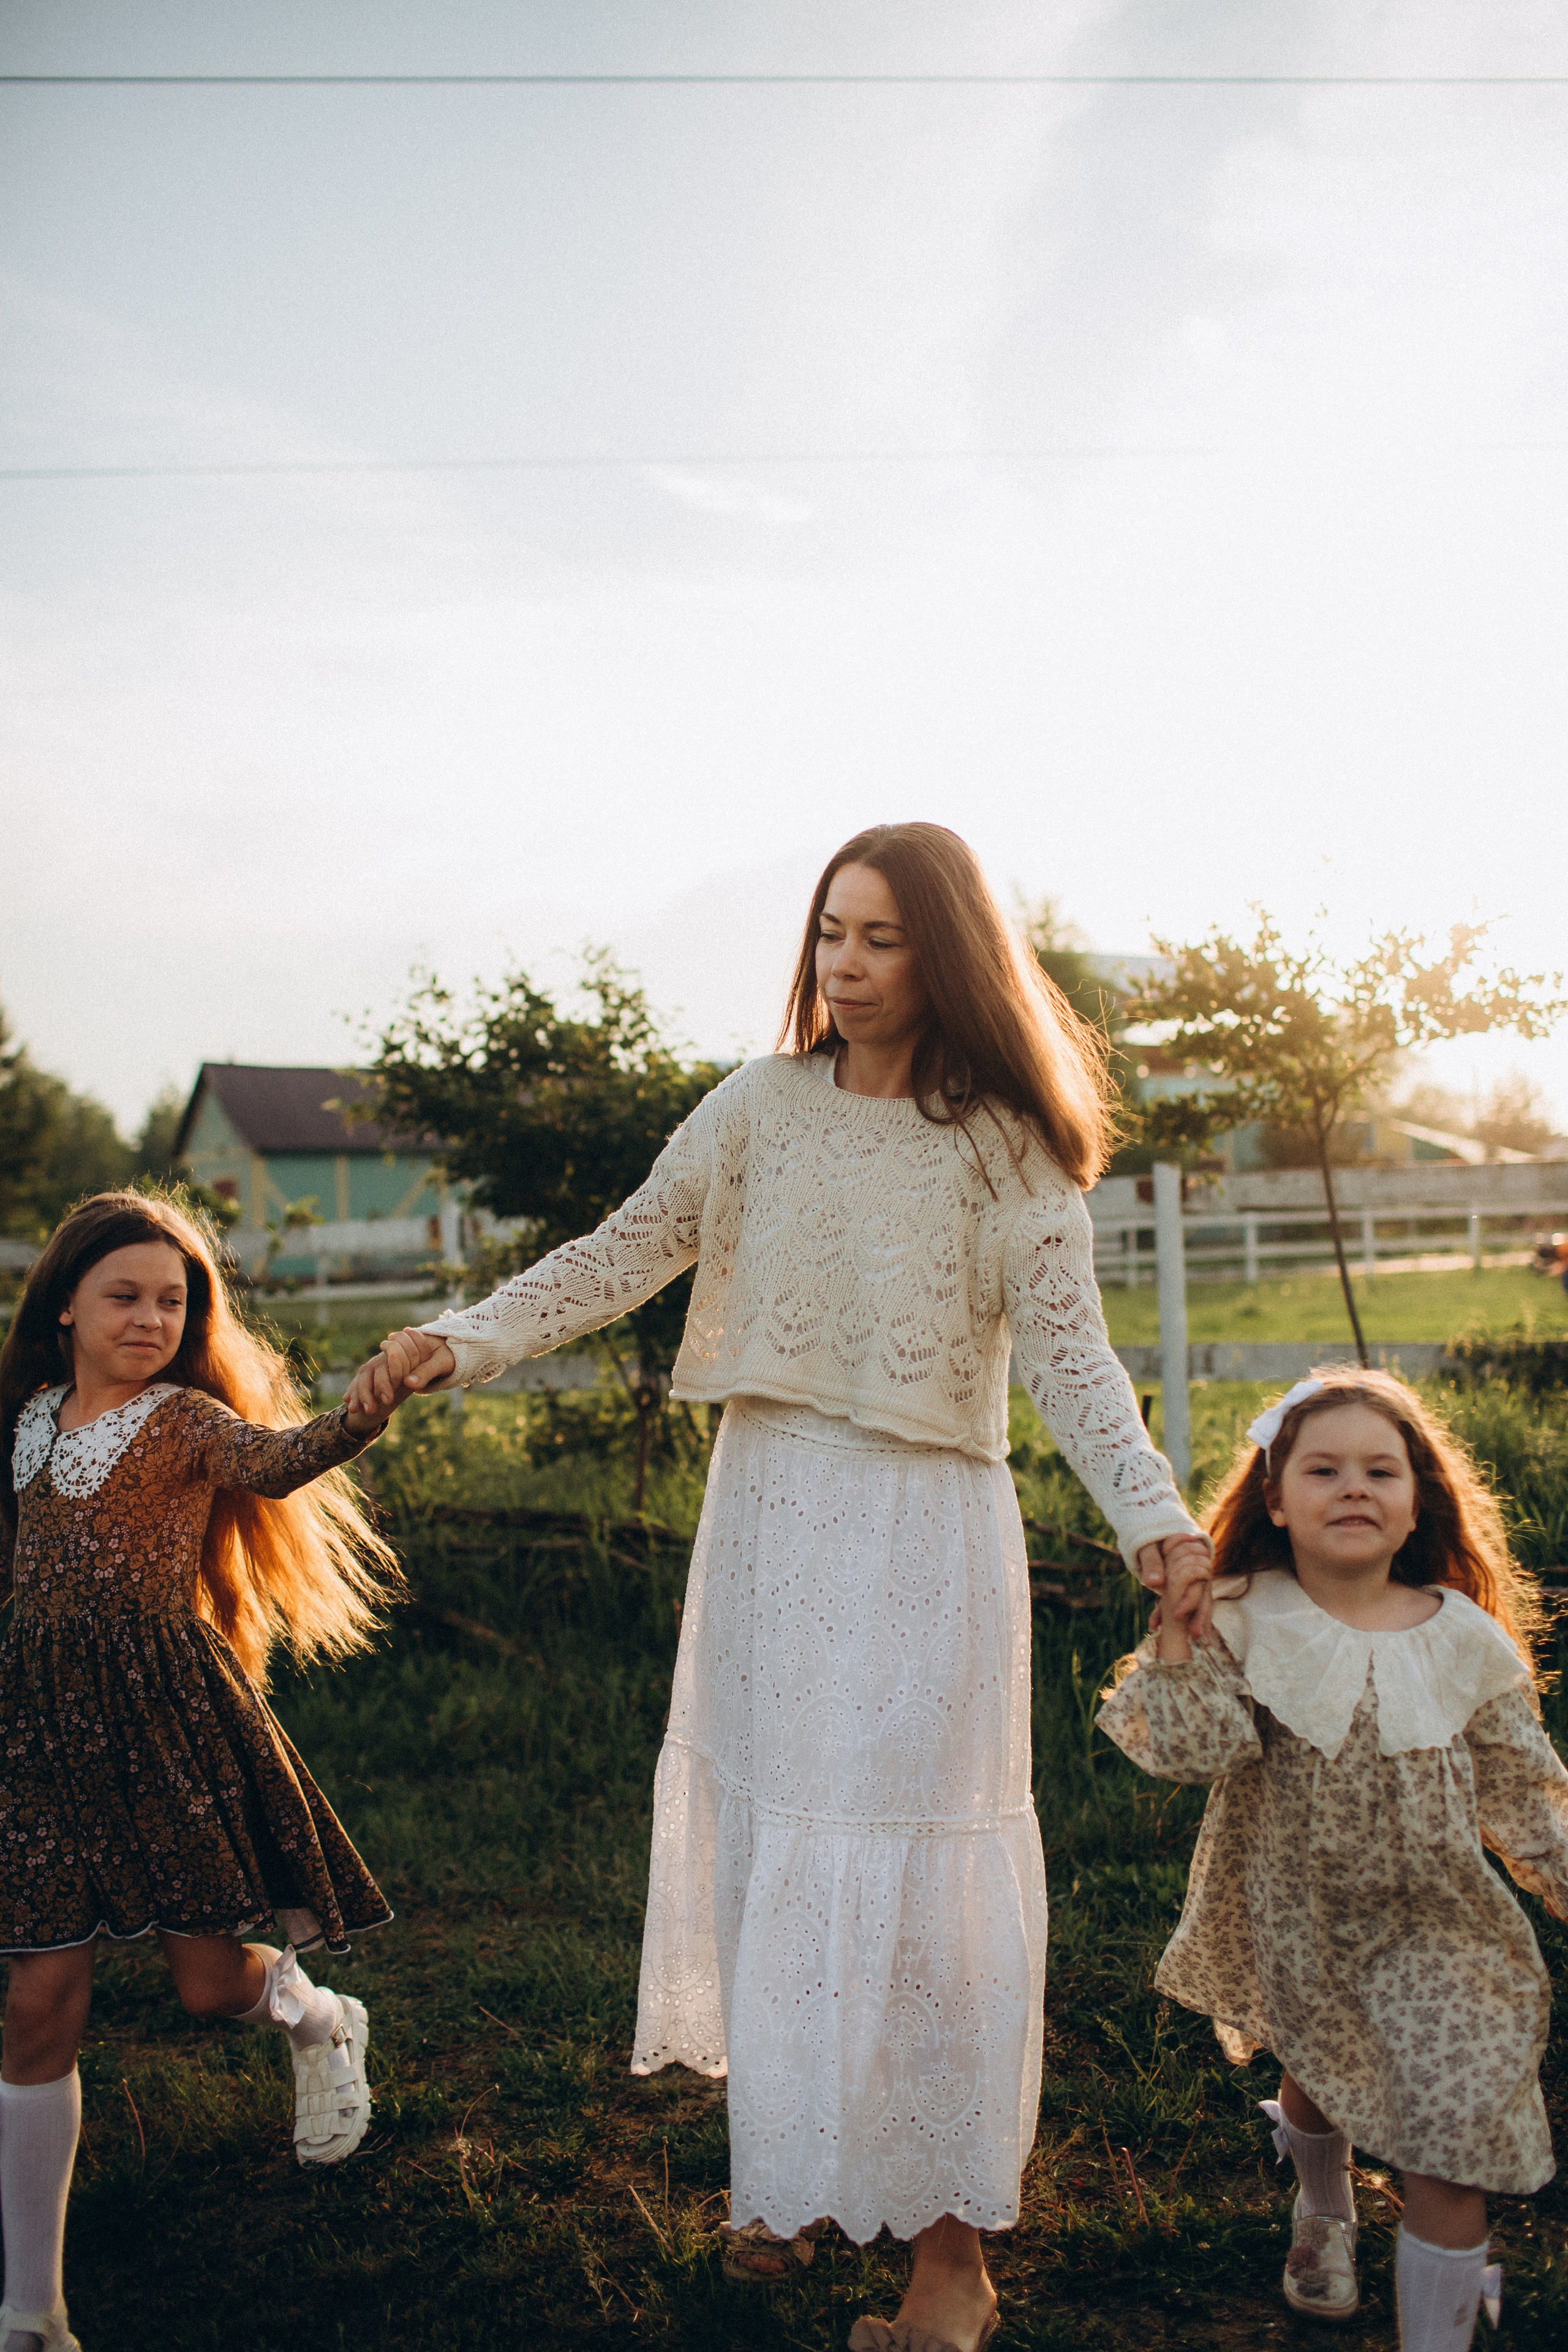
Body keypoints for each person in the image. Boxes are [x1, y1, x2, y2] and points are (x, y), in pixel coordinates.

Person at [349, 823, 1210, 2352]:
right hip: (767, 1518)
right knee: (778, 1843)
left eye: (880, 938)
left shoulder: (1006, 1138)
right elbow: (624, 1253)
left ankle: (950, 2254)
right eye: (830, 934)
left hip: (921, 1533)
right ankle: (791, 2172)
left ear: (945, 953)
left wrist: (1156, 1522)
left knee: (922, 1887)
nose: (847, 966)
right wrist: (462, 1339)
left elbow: (1073, 1363)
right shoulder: (756, 1106)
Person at [0, 1192, 423, 2352]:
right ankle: (31, 2312)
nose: (149, 1318)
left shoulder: (184, 1420)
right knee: (36, 2004)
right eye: (124, 1296)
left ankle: (321, 2018)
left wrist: (368, 1407)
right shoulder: (29, 1417)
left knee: (206, 1986)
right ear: (66, 1310)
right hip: (39, 1735)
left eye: (172, 1302)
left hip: (159, 1726)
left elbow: (279, 1461)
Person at [1097, 1368, 1568, 2352]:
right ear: (1276, 1499)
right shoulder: (1245, 1616)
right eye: (1323, 1469)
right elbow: (1190, 1756)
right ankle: (1324, 2205)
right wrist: (1181, 1642)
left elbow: (1529, 1795)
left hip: (1445, 1931)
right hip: (1303, 1923)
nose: (1353, 1487)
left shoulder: (1464, 1642)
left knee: (1453, 2142)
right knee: (1320, 2070)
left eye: (1379, 1471)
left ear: (1415, 1504)